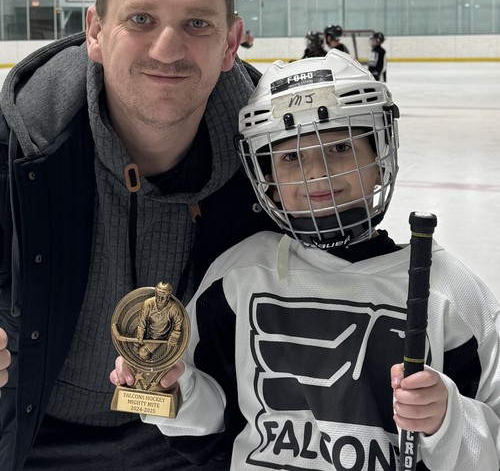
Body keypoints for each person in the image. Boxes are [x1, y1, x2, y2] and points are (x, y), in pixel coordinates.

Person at [112, 49, 500, 470]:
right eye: (291, 156)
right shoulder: (239, 275)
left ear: (379, 158)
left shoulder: (451, 292)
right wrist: (172, 389)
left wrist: (447, 419)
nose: (317, 173)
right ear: (267, 178)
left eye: (340, 147)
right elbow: (213, 426)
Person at [0, 0, 278, 469]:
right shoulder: (15, 146)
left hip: (189, 445)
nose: (167, 50)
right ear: (95, 31)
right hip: (25, 435)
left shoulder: (275, 164)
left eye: (197, 23)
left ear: (231, 42)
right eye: (141, 19)